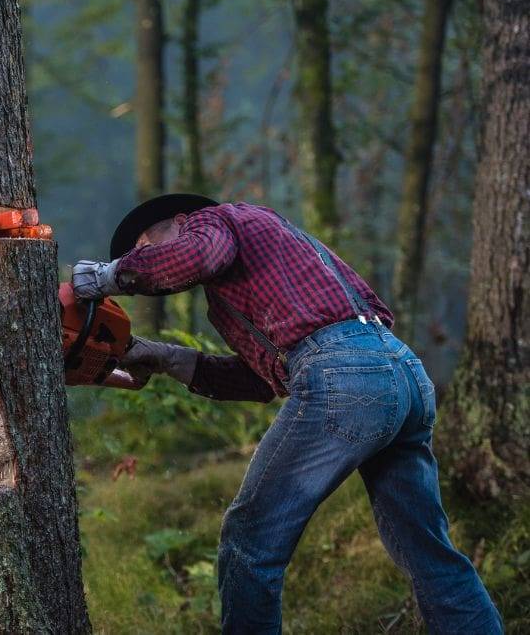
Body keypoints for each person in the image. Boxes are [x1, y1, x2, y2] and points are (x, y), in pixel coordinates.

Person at [72, 194, 502, 635]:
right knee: (428, 553)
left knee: (249, 539)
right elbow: (265, 379)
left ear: (183, 221)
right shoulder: (255, 275)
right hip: (402, 371)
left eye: (146, 246)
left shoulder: (216, 222)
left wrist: (104, 278)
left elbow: (199, 255)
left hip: (347, 375)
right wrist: (162, 357)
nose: (145, 259)